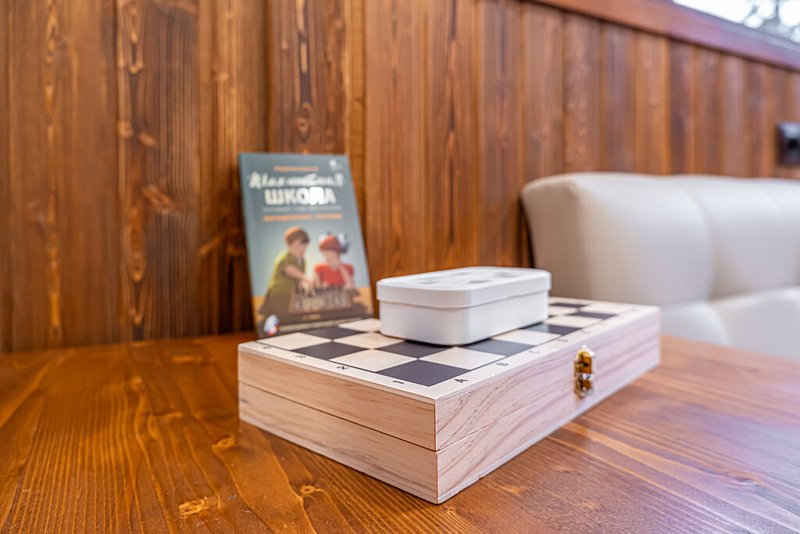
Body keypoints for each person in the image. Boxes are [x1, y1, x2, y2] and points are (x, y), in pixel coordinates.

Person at [258, 227, 314, 330]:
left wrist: (304, 290)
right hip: (278, 294)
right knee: (274, 318)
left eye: (304, 246)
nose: (302, 248)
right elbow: (289, 269)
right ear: (290, 245)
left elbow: (300, 281)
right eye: (298, 245)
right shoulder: (284, 257)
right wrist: (306, 278)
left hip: (292, 297)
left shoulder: (302, 261)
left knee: (293, 318)